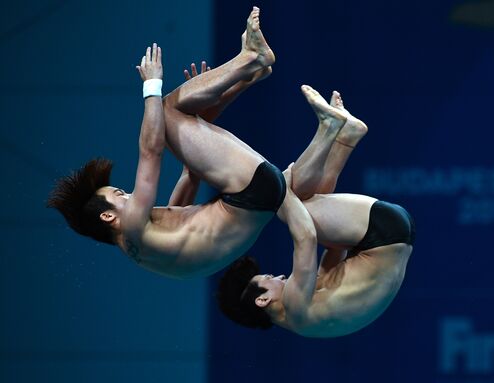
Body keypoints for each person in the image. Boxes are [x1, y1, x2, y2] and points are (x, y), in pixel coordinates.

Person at [47, 7, 286, 279]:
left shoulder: (145, 248)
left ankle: (249, 73)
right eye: (120, 195)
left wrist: (205, 101)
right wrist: (151, 85)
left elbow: (191, 174)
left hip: (261, 196)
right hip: (250, 192)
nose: (129, 195)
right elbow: (151, 151)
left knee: (178, 116)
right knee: (166, 107)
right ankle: (250, 59)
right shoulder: (133, 225)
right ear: (108, 217)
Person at [217, 87, 415, 338]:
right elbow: (307, 237)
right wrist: (280, 190)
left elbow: (336, 246)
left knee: (302, 203)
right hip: (380, 233)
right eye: (269, 278)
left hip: (395, 232)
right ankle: (330, 129)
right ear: (263, 300)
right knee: (283, 205)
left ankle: (346, 136)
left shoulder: (309, 315)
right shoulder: (295, 306)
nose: (279, 276)